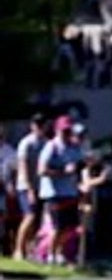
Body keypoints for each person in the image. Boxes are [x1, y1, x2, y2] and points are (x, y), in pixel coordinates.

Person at [36, 116, 84, 264]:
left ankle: (60, 251)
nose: (67, 133)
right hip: (54, 193)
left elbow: (79, 164)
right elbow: (41, 170)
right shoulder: (52, 147)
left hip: (69, 192)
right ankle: (50, 254)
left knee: (70, 227)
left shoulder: (73, 148)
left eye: (69, 131)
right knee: (58, 226)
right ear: (57, 130)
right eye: (64, 131)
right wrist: (63, 171)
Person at [13, 113, 49, 261]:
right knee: (29, 216)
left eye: (42, 124)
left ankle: (31, 250)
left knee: (37, 221)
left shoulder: (46, 143)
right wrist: (29, 189)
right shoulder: (26, 143)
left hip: (41, 187)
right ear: (32, 125)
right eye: (37, 124)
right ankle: (18, 250)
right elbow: (23, 166)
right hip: (25, 186)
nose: (39, 127)